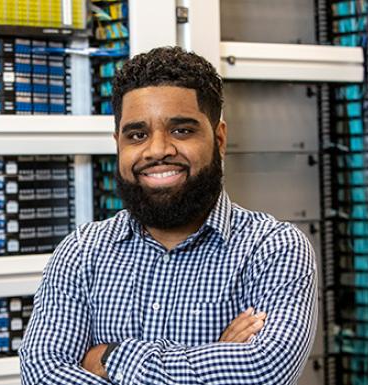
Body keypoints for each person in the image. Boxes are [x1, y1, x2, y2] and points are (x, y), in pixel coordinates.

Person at [20, 46, 317, 385]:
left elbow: (264, 370)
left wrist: (108, 357)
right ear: (118, 143)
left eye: (181, 130)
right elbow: (42, 375)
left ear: (219, 139)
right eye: (137, 135)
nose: (158, 150)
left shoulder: (274, 249)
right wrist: (216, 357)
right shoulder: (82, 252)